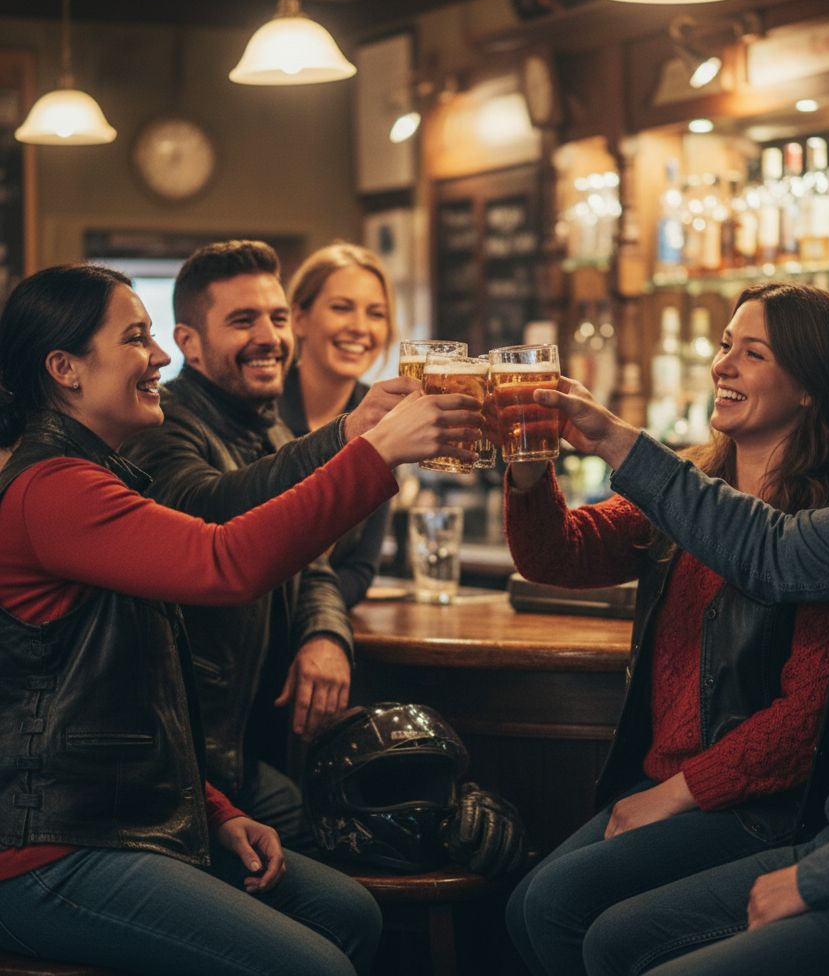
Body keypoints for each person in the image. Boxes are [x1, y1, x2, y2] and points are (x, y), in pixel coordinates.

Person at [527, 252, 829, 976]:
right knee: (600, 934)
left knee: (583, 919)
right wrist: (605, 436)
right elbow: (767, 549)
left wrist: (821, 877)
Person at [0, 264, 481, 974]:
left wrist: (214, 810)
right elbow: (227, 561)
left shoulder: (95, 476)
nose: (159, 356)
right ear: (64, 368)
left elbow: (138, 697)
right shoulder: (53, 490)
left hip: (118, 819)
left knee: (349, 912)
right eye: (135, 338)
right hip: (50, 852)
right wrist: (374, 453)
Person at [504, 284, 829, 976]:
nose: (722, 365)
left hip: (760, 806)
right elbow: (558, 555)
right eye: (726, 346)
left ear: (808, 386)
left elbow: (806, 719)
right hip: (667, 783)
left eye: (753, 353)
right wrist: (528, 462)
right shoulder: (690, 487)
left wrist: (675, 793)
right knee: (526, 903)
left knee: (557, 907)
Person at [124, 240, 413, 854]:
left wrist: (325, 635)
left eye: (276, 318)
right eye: (242, 320)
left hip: (246, 752)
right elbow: (216, 512)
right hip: (187, 766)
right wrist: (348, 437)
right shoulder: (162, 424)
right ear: (188, 343)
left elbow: (315, 561)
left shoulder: (268, 424)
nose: (269, 337)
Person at [277, 241, 394, 610]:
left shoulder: (383, 419)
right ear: (299, 319)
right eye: (342, 308)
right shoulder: (263, 409)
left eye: (376, 313)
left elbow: (360, 569)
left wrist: (315, 621)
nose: (360, 327)